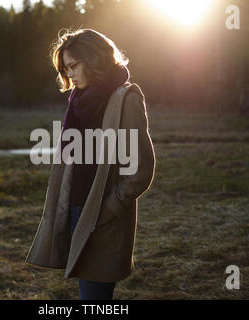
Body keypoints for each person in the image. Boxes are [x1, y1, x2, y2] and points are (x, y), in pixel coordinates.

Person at [25, 28, 156, 300]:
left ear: (93, 59)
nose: (69, 74)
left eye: (73, 66)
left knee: (94, 296)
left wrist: (108, 209)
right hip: (75, 208)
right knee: (88, 290)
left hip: (104, 216)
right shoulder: (78, 100)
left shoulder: (126, 99)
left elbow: (139, 170)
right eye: (65, 69)